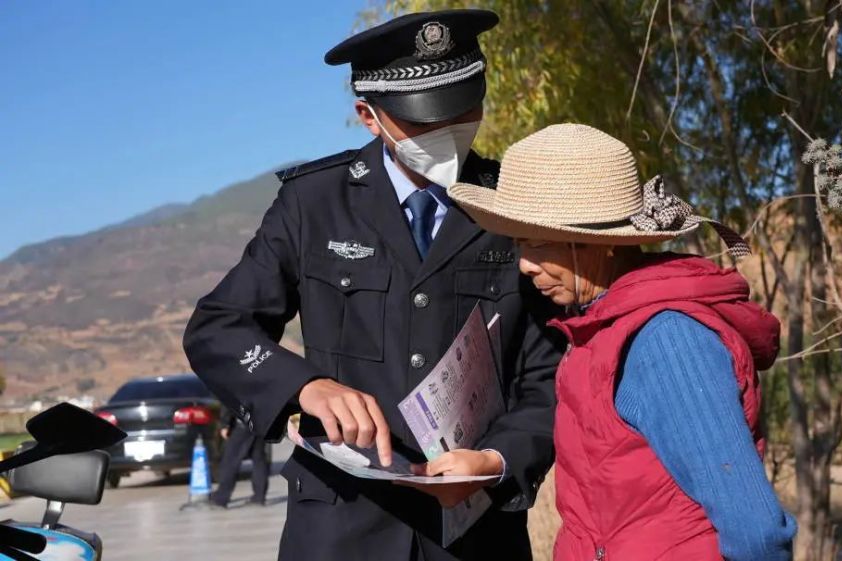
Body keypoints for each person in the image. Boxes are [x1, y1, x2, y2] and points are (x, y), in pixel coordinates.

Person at [182, 9, 562, 561]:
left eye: (464, 110)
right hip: (340, 529)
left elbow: (551, 374)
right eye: (425, 119)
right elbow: (218, 327)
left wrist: (498, 460)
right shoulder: (314, 204)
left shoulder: (514, 206)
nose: (448, 133)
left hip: (475, 535)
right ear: (369, 115)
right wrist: (303, 387)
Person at [449, 123, 798, 561]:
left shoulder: (667, 342)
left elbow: (757, 531)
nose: (525, 266)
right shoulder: (603, 326)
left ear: (601, 243)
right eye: (519, 244)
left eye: (537, 243)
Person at [209, 405, 269, 508]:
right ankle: (259, 497)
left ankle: (221, 498)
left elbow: (230, 398)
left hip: (243, 423)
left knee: (230, 459)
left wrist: (225, 424)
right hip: (261, 421)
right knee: (258, 458)